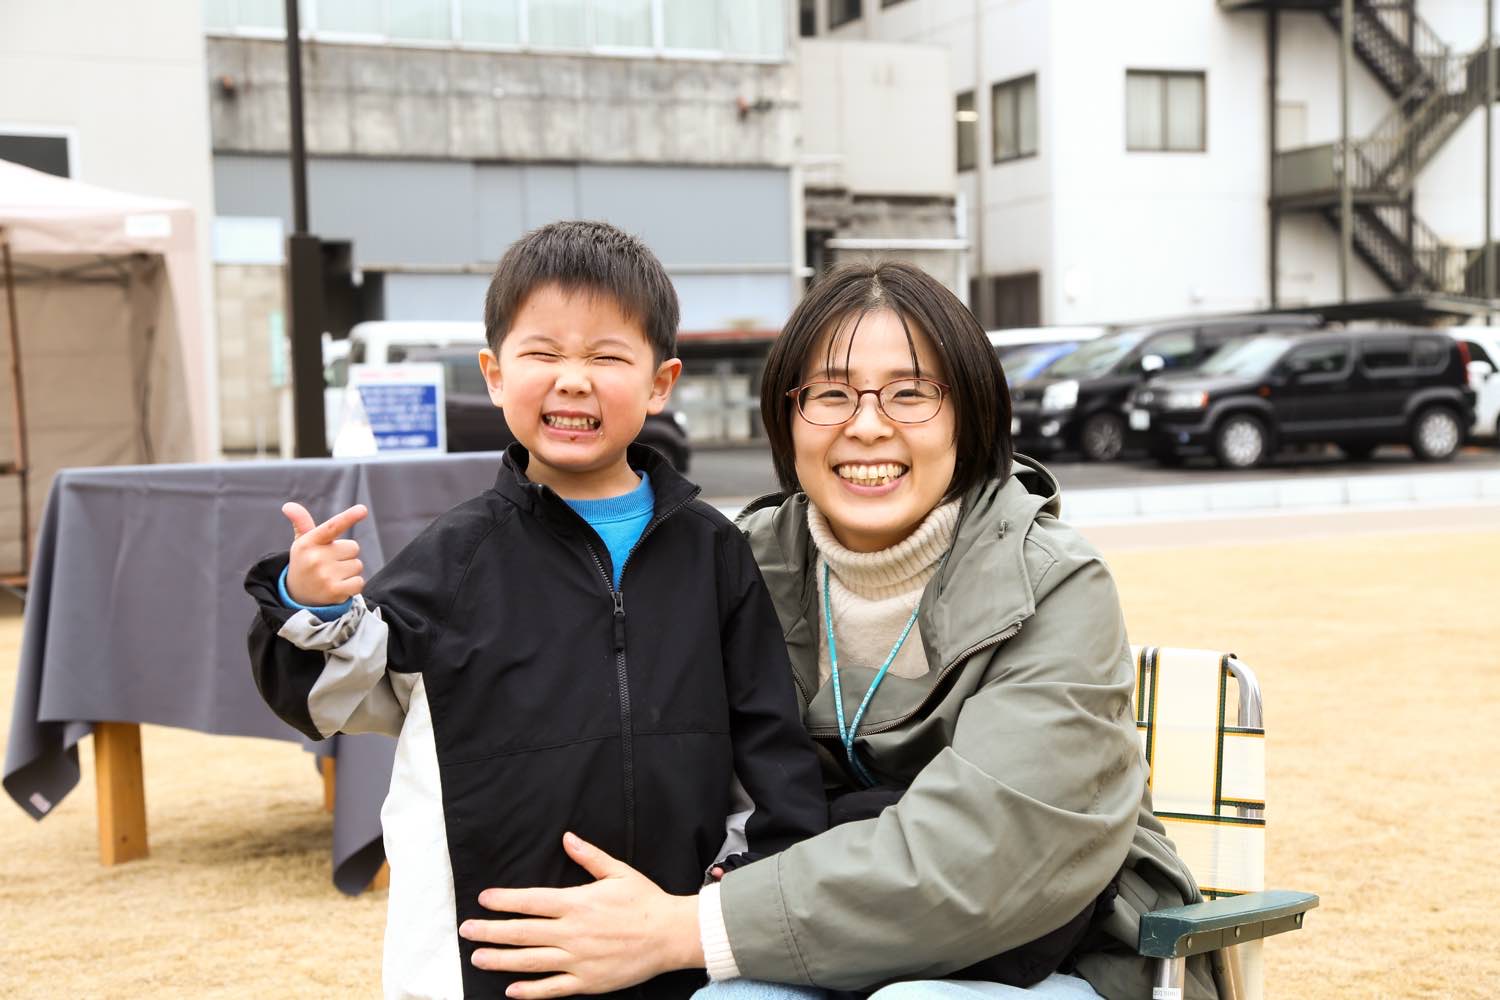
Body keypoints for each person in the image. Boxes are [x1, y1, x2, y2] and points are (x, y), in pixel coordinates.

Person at [457, 260, 1219, 1000]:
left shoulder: (1052, 582)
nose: (867, 427)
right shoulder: (740, 561)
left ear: (970, 413)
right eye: (830, 394)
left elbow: (992, 853)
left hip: (1062, 953)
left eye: (911, 394)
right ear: (787, 418)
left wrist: (688, 928)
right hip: (815, 941)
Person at [243, 221, 828, 1000]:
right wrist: (307, 604)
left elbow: (769, 738)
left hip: (670, 942)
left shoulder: (713, 551)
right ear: (494, 373)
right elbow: (330, 696)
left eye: (607, 356)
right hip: (496, 956)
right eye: (543, 353)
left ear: (660, 383)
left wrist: (742, 877)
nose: (573, 380)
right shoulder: (456, 556)